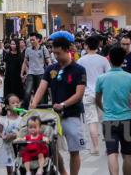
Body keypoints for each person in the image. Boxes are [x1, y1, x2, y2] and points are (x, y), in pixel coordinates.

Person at [30, 37, 86, 175]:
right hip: (53, 116)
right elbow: (41, 88)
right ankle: (63, 173)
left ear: (68, 51)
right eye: (54, 53)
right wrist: (33, 106)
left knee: (74, 150)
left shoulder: (79, 69)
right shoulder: (51, 69)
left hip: (72, 114)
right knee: (51, 148)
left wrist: (63, 104)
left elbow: (79, 94)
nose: (56, 56)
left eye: (58, 53)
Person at [95, 46, 131, 175]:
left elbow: (97, 100)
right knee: (127, 154)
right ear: (123, 59)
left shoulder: (101, 78)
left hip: (108, 121)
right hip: (127, 119)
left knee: (111, 153)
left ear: (109, 59)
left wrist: (106, 110)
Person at [77, 36, 111, 156]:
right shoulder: (103, 60)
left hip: (87, 93)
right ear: (98, 46)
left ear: (86, 46)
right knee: (105, 120)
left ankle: (95, 148)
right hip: (102, 94)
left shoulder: (81, 60)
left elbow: (78, 79)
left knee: (92, 121)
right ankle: (109, 147)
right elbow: (108, 76)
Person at [21, 33, 51, 108]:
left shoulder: (44, 49)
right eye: (30, 40)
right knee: (27, 92)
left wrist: (50, 70)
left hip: (41, 73)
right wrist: (21, 73)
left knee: (41, 92)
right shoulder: (28, 50)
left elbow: (48, 61)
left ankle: (42, 108)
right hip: (31, 73)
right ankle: (25, 109)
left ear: (38, 40)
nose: (31, 41)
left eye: (33, 40)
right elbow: (25, 62)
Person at [0, 94, 22, 175]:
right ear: (7, 106)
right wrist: (3, 136)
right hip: (7, 148)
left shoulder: (21, 119)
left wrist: (14, 136)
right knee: (9, 170)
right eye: (13, 103)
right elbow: (0, 131)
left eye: (17, 102)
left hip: (19, 148)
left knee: (19, 167)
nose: (16, 104)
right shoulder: (3, 119)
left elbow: (23, 133)